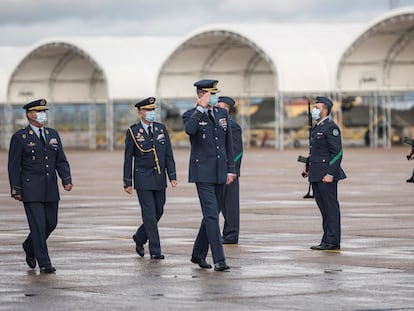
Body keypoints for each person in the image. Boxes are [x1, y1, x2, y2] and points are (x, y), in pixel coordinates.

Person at [8, 99, 73, 273]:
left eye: (44, 111)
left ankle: (30, 246)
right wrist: (16, 189)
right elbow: (13, 165)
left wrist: (66, 179)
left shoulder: (52, 134)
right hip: (30, 189)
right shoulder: (20, 137)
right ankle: (44, 263)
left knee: (51, 223)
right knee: (38, 226)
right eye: (38, 111)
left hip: (50, 187)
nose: (43, 114)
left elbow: (61, 159)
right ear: (29, 115)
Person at [182, 79, 235, 271]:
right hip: (202, 173)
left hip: (221, 172)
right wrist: (201, 109)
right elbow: (190, 130)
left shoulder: (222, 113)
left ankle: (198, 254)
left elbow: (228, 142)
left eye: (215, 94)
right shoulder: (190, 114)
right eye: (211, 94)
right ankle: (219, 259)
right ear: (201, 95)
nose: (215, 97)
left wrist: (231, 169)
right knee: (212, 216)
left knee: (211, 215)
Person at [123, 97, 177, 260]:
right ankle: (155, 250)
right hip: (143, 179)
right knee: (149, 215)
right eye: (148, 110)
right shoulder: (133, 132)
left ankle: (140, 237)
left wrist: (172, 175)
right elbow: (128, 159)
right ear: (140, 113)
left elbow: (168, 154)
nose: (152, 113)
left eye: (154, 110)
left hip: (159, 177)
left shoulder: (161, 129)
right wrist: (128, 181)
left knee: (158, 210)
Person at [302, 96, 346, 251]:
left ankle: (333, 241)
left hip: (326, 175)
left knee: (330, 209)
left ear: (325, 110)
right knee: (324, 209)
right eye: (314, 107)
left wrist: (330, 173)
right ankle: (327, 239)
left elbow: (337, 153)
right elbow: (317, 151)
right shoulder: (317, 127)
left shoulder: (331, 127)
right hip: (317, 174)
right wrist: (308, 166)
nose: (314, 110)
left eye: (317, 107)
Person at [216, 96, 243, 244]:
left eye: (222, 107)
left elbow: (237, 151)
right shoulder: (219, 124)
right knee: (223, 206)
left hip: (229, 171)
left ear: (228, 110)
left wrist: (232, 171)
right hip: (220, 171)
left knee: (230, 205)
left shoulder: (233, 126)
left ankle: (231, 235)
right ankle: (227, 234)